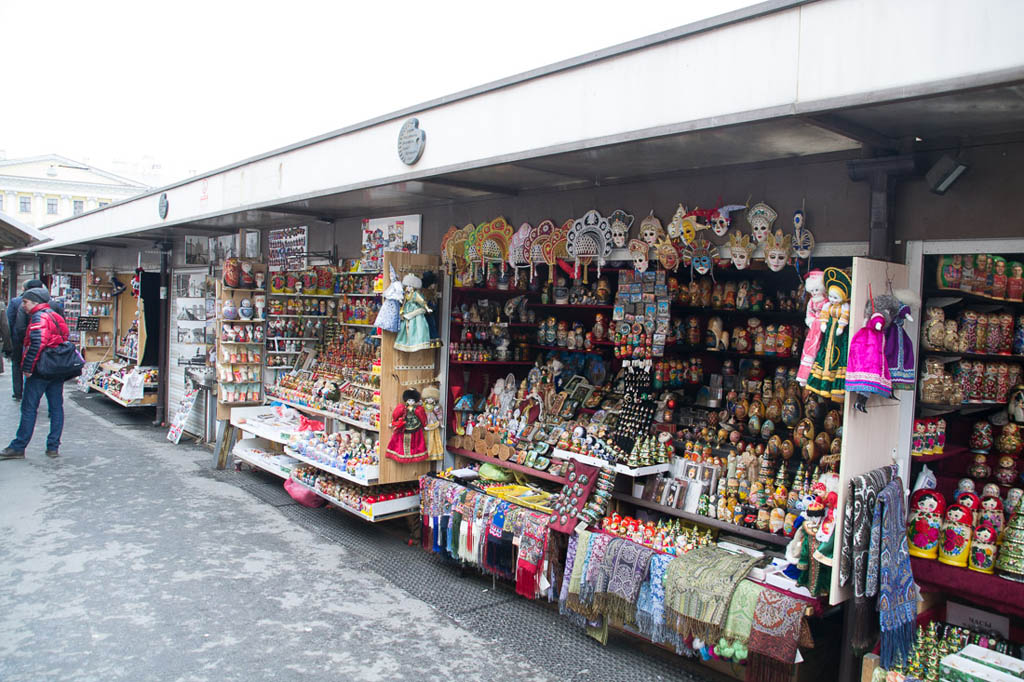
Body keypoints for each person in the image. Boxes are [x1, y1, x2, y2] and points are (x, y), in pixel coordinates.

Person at [1, 287, 69, 460]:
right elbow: (65, 336)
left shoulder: (39, 317)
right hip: (56, 368)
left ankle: (19, 446)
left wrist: (28, 368)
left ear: (35, 302)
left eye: (25, 302)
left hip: (41, 369)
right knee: (56, 407)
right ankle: (53, 446)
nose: (23, 305)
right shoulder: (56, 316)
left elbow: (37, 343)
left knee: (29, 407)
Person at [6, 279, 64, 400]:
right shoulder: (53, 304)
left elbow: (12, 324)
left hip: (23, 342)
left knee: (19, 366)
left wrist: (16, 341)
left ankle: (18, 393)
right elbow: (62, 326)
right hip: (51, 347)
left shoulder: (16, 302)